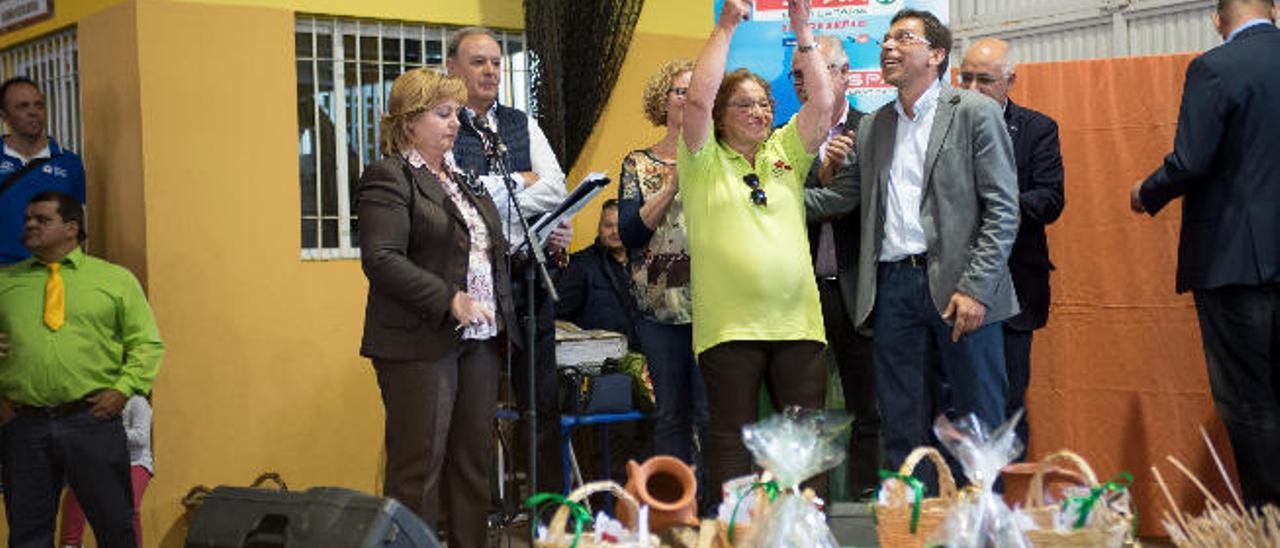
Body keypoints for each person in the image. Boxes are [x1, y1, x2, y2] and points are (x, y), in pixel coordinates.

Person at [806, 9, 1020, 487]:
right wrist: (769, 201)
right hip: (893, 290)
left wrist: (978, 288)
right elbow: (843, 197)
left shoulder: (974, 112)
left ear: (937, 55)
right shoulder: (874, 126)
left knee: (976, 423)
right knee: (902, 424)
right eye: (886, 38)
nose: (888, 46)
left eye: (904, 38)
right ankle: (918, 527)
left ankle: (982, 532)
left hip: (963, 290)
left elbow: (1004, 210)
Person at [681, 0, 835, 503]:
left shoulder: (786, 149)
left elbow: (823, 104)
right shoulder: (702, 158)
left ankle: (806, 532)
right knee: (730, 443)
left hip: (798, 323)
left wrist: (802, 27)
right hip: (730, 327)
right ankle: (734, 532)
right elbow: (697, 102)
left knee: (804, 445)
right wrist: (726, 26)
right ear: (722, 116)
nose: (759, 111)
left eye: (765, 103)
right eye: (744, 104)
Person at [357, 67, 517, 547]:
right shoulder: (390, 177)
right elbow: (381, 260)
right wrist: (450, 298)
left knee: (473, 461)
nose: (454, 123)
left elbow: (485, 251)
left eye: (456, 114)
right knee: (418, 465)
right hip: (418, 342)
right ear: (409, 122)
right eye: (442, 113)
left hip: (480, 341)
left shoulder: (463, 180)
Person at [1129, 0, 1280, 507]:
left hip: (1234, 262)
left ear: (1217, 19)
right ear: (1275, 10)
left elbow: (1191, 159)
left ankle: (1269, 523)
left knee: (1248, 400)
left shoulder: (1214, 67)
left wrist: (1145, 192)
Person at [0, 191, 164, 548]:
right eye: (27, 218)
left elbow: (147, 344)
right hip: (24, 425)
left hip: (91, 420)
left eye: (42, 219)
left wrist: (123, 390)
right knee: (28, 533)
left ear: (71, 228)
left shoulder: (115, 280)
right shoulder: (5, 282)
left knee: (115, 527)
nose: (29, 224)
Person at [445, 26, 570, 494]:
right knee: (470, 408)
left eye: (496, 62)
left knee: (542, 402)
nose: (491, 71)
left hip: (528, 281)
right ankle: (477, 514)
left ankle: (549, 513)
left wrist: (494, 187)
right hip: (470, 285)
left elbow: (556, 187)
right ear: (452, 68)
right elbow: (458, 195)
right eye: (478, 62)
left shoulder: (521, 123)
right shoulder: (444, 124)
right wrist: (522, 180)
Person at [958, 37, 1065, 458]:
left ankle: (1009, 506)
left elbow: (1051, 198)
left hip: (1016, 286)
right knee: (957, 400)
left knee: (1007, 400)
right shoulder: (940, 126)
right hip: (953, 285)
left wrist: (1001, 208)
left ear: (1009, 81)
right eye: (964, 77)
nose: (972, 88)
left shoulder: (1038, 129)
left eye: (984, 80)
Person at [795, 35, 881, 496]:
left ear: (845, 75)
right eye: (797, 74)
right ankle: (810, 504)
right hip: (802, 291)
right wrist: (818, 173)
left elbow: (844, 199)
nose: (804, 82)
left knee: (867, 406)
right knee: (804, 410)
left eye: (815, 70)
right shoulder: (785, 136)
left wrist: (772, 199)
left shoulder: (874, 129)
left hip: (858, 288)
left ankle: (868, 505)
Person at [616, 58, 708, 467]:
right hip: (659, 307)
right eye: (680, 91)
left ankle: (714, 509)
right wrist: (671, 187)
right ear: (663, 100)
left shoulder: (717, 157)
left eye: (697, 91)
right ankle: (676, 510)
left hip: (715, 302)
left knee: (710, 415)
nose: (688, 99)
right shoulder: (638, 163)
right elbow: (631, 234)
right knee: (670, 415)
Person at [0, 77, 86, 265]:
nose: (33, 112)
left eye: (38, 105)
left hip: (54, 272)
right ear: (4, 115)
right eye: (23, 106)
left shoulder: (69, 163)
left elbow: (77, 222)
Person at [59, 395, 154, 548]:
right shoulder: (95, 402)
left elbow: (141, 438)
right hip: (105, 458)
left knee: (130, 507)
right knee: (76, 491)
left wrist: (111, 433)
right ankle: (70, 543)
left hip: (135, 462)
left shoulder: (138, 403)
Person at [556, 199, 639, 345]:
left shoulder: (644, 261)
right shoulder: (581, 265)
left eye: (620, 225)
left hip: (643, 357)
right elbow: (556, 316)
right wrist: (584, 338)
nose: (615, 232)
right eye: (608, 226)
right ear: (599, 228)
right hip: (599, 358)